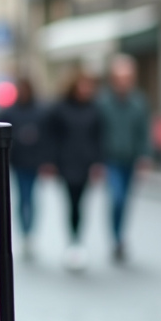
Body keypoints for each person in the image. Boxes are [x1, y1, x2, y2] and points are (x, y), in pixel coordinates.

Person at [42, 71, 103, 272]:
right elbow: (50, 136)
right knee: (71, 202)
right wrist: (50, 161)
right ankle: (73, 241)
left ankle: (77, 240)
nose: (86, 90)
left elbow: (99, 137)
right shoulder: (59, 109)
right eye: (82, 86)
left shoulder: (94, 109)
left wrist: (98, 162)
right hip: (66, 163)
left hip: (86, 163)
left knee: (81, 203)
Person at [96, 55, 152, 263]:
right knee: (117, 198)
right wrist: (97, 161)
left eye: (127, 77)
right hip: (110, 159)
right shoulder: (102, 102)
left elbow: (144, 132)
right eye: (120, 77)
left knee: (125, 201)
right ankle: (116, 238)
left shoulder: (139, 102)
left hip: (130, 159)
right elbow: (96, 132)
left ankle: (120, 238)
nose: (123, 81)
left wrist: (145, 156)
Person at [0, 77, 49, 260]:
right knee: (23, 196)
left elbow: (46, 135)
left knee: (31, 197)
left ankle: (29, 232)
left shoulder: (40, 111)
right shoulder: (11, 111)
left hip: (33, 161)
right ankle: (25, 232)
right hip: (18, 161)